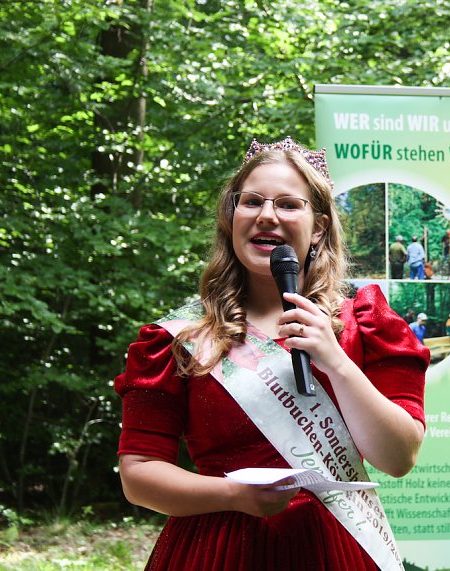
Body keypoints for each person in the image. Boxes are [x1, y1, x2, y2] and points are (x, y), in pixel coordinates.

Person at [114, 137, 430, 571]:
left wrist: (335, 360)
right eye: (252, 202)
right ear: (232, 216)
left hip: (338, 548)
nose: (267, 216)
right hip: (218, 550)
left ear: (318, 226)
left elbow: (398, 459)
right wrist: (234, 495)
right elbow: (140, 475)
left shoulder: (367, 324)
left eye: (288, 204)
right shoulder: (178, 338)